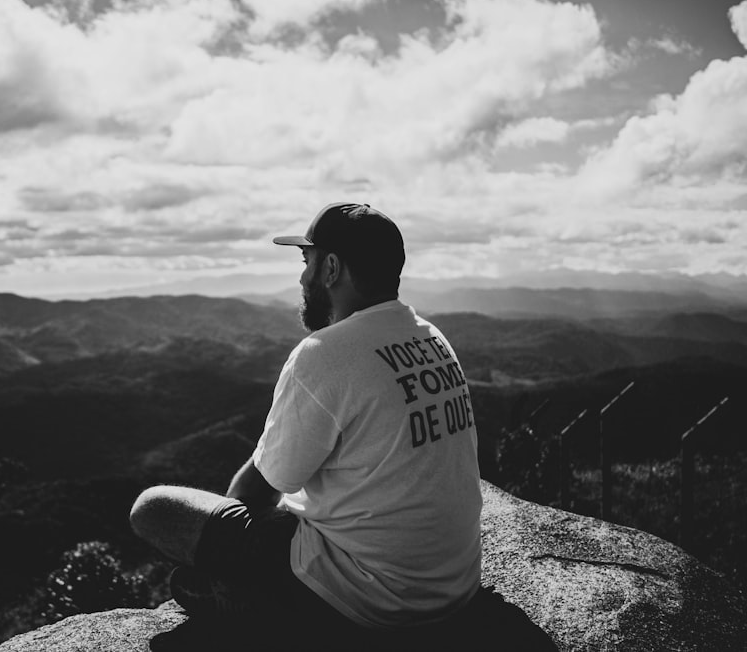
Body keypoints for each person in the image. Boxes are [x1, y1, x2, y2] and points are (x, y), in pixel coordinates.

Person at [130, 203, 547, 650]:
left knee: (153, 508)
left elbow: (257, 492)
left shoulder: (322, 353)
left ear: (331, 268)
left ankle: (257, 606)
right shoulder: (432, 338)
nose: (302, 278)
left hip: (370, 605)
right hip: (453, 591)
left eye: (306, 262)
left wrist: (227, 560)